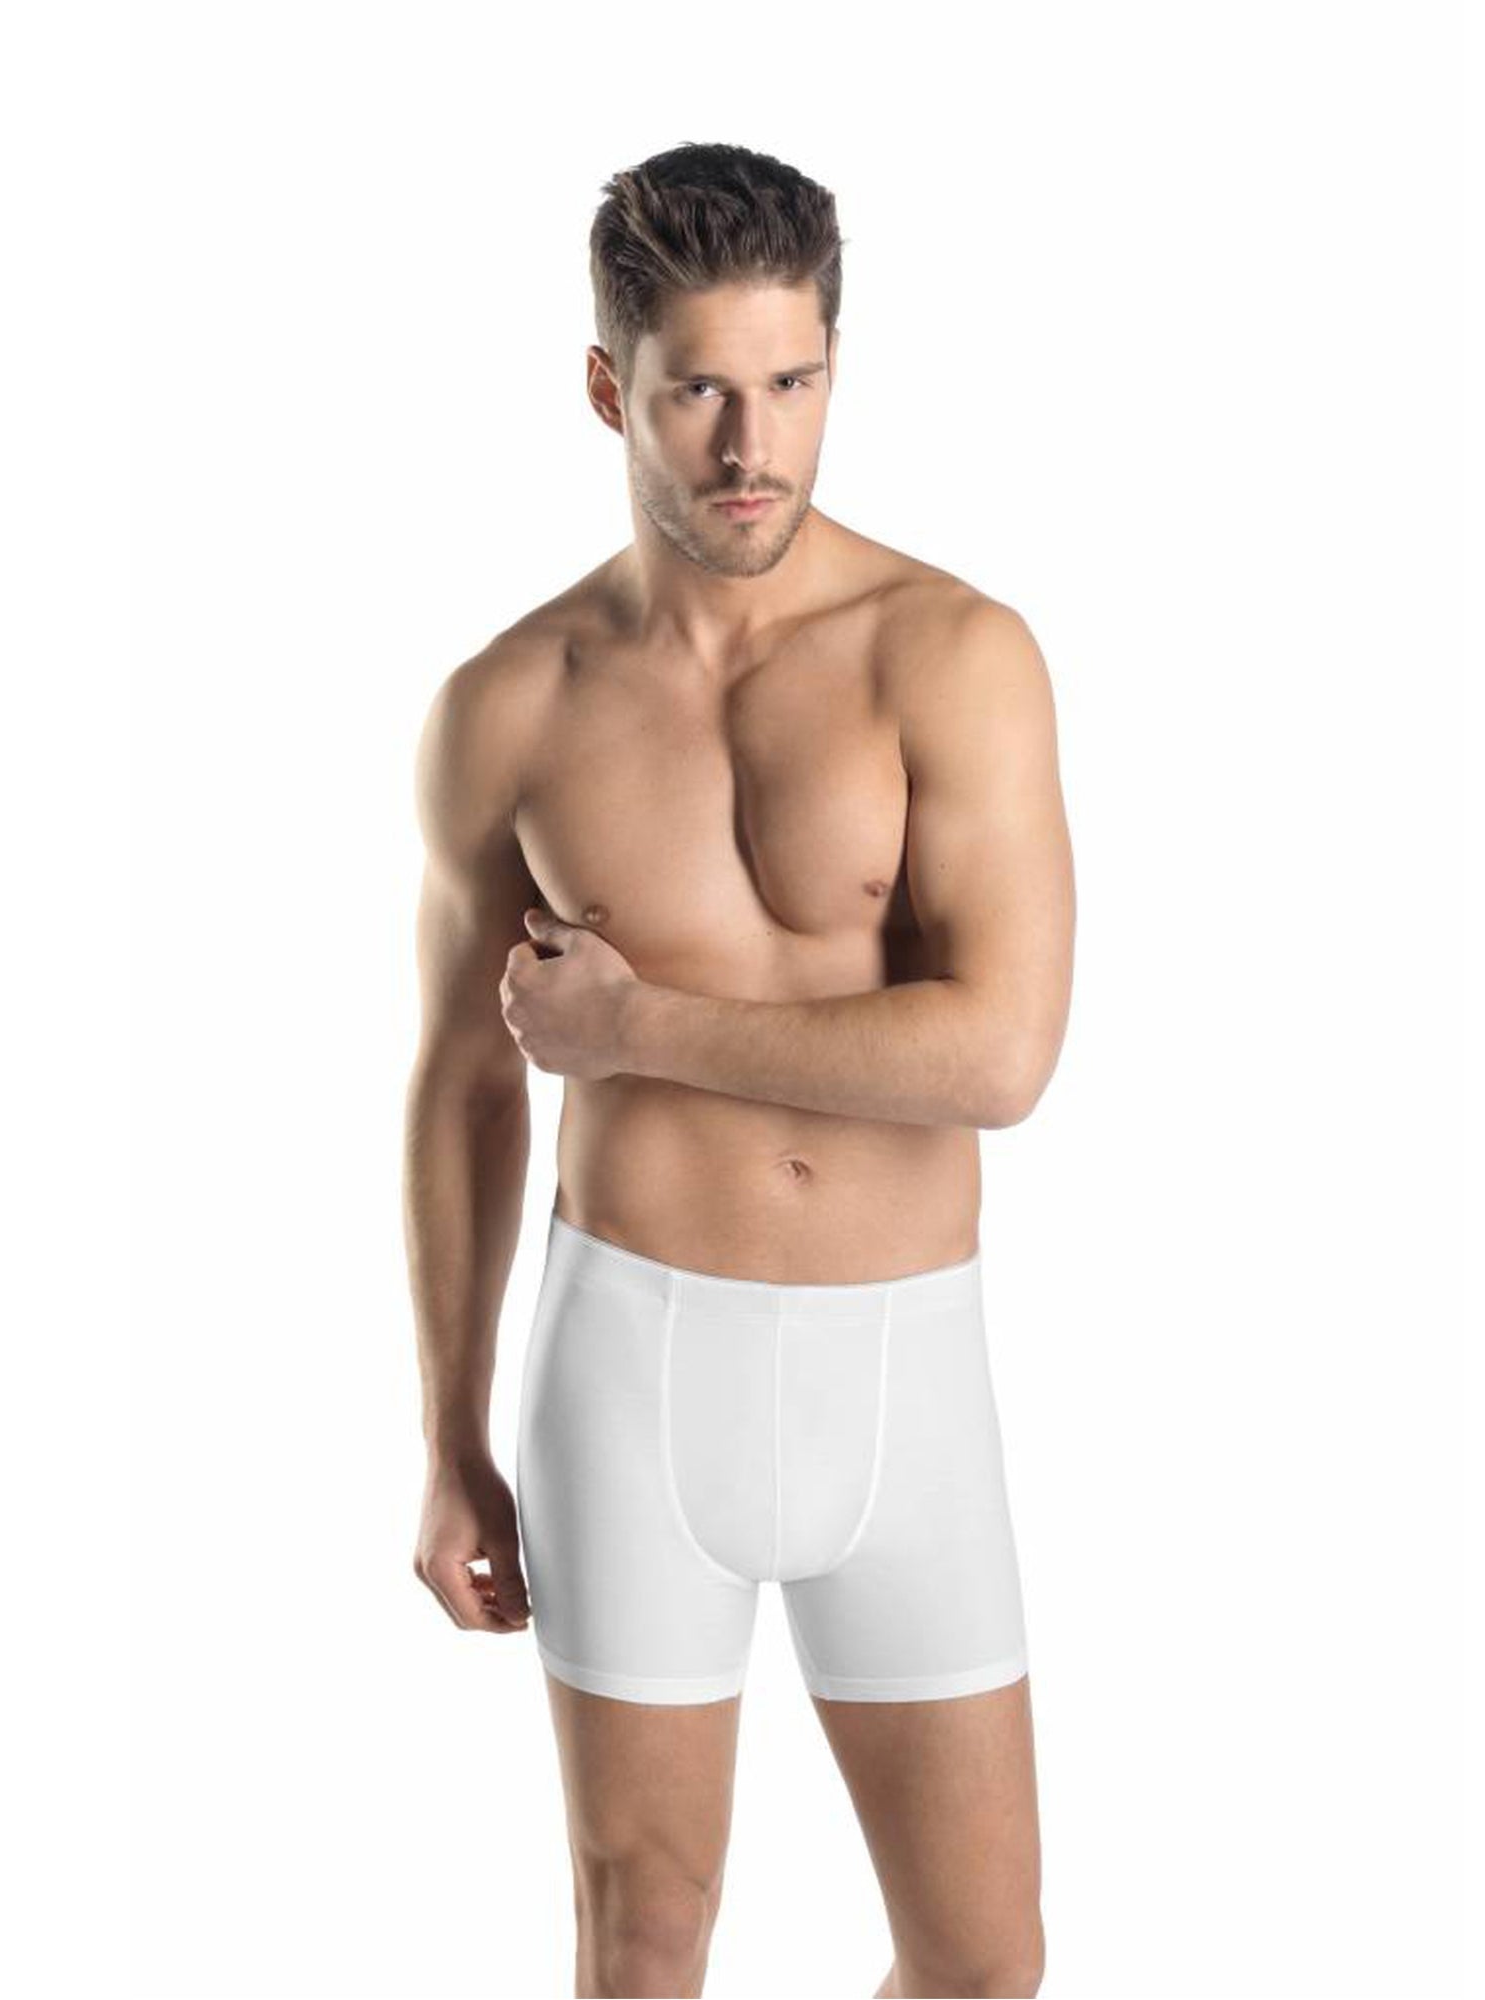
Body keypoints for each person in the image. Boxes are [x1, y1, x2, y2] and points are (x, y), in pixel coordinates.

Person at [403, 140, 1076, 1999]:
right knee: (643, 1942)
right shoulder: (509, 705)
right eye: (701, 389)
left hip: (904, 1370)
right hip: (630, 1364)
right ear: (608, 386)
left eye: (793, 382)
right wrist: (448, 1443)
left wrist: (639, 1033)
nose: (751, 444)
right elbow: (462, 1085)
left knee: (984, 1961)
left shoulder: (954, 655)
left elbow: (1002, 1051)